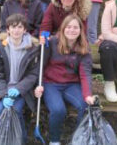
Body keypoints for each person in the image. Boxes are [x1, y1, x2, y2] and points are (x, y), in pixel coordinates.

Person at [34, 14, 95, 145]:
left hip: (71, 85)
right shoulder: (51, 43)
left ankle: (78, 139)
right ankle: (54, 141)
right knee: (58, 110)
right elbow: (40, 65)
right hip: (51, 84)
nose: (72, 30)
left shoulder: (84, 47)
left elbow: (85, 74)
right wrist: (37, 86)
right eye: (68, 27)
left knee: (85, 106)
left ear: (80, 30)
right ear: (63, 29)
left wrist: (87, 95)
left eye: (75, 27)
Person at [0, 14, 40, 143]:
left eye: (19, 27)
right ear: (7, 29)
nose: (16, 30)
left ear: (24, 30)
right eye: (13, 27)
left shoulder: (32, 49)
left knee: (16, 111)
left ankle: (20, 140)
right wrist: (4, 94)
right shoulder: (0, 48)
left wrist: (18, 89)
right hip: (3, 90)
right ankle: (1, 140)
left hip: (21, 91)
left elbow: (33, 75)